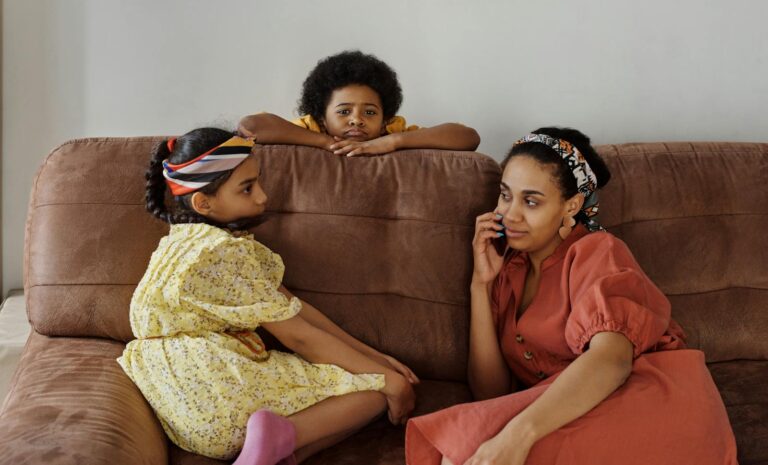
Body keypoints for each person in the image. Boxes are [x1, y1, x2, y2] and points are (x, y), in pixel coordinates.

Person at [405, 127, 737, 465]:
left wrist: (517, 436)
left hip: (648, 401)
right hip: (575, 409)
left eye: (531, 201)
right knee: (462, 446)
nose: (510, 214)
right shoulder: (508, 269)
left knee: (469, 453)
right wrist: (480, 284)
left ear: (572, 205)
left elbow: (612, 361)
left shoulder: (596, 251)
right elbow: (491, 394)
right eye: (505, 195)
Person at [117, 127, 417, 465]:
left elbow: (296, 310)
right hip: (219, 391)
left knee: (374, 378)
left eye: (257, 182)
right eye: (247, 188)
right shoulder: (223, 252)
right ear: (204, 202)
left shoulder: (182, 241)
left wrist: (375, 357)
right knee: (374, 393)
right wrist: (387, 380)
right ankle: (276, 437)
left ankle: (276, 454)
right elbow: (299, 336)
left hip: (179, 405)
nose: (262, 197)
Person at [238, 50, 480, 156]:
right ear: (322, 117)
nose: (356, 119)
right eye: (344, 111)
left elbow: (468, 137)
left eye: (370, 112)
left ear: (385, 120)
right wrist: (324, 142)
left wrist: (392, 142)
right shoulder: (312, 127)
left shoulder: (391, 130)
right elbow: (250, 125)